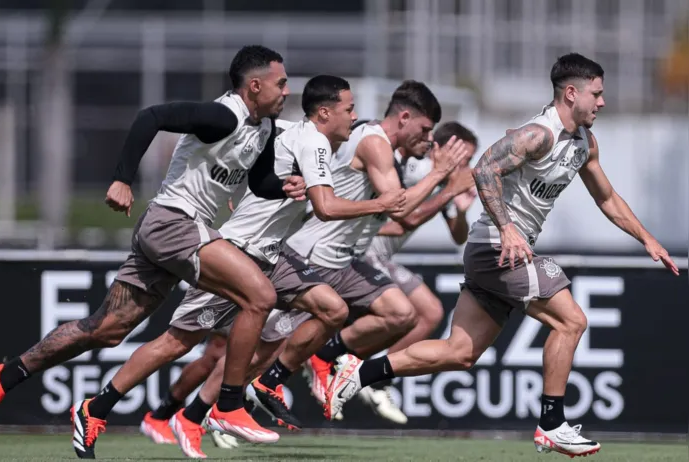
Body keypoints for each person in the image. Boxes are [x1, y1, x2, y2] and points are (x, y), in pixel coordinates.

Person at [324, 52, 680, 458]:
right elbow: (484, 169)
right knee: (572, 321)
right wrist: (508, 228)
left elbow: (607, 198)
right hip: (497, 247)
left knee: (460, 353)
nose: (601, 102)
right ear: (570, 93)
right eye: (595, 94)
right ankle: (551, 423)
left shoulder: (585, 142)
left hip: (493, 252)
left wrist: (647, 239)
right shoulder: (537, 134)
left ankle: (359, 371)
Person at [0, 45, 307, 457]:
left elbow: (257, 182)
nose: (287, 91)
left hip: (171, 231)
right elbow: (151, 116)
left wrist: (286, 186)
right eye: (281, 83)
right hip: (174, 223)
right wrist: (122, 179)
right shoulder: (224, 115)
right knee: (260, 296)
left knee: (106, 331)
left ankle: (6, 376)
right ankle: (229, 405)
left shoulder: (263, 128)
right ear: (255, 86)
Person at [72, 75, 407, 459]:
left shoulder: (297, 134)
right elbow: (326, 207)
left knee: (332, 309)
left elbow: (259, 156)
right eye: (349, 109)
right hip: (239, 253)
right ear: (326, 112)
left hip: (272, 256)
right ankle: (100, 408)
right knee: (177, 343)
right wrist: (383, 203)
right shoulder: (313, 140)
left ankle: (263, 385)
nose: (355, 116)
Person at [278, 80, 471, 426]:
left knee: (405, 313)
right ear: (406, 118)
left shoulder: (406, 156)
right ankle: (207, 407)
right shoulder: (395, 153)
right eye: (426, 131)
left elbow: (456, 234)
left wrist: (457, 200)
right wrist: (445, 182)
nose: (428, 140)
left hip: (343, 255)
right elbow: (401, 216)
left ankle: (360, 372)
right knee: (255, 344)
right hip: (322, 251)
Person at [347, 121, 479, 424]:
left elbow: (458, 237)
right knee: (406, 312)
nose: (467, 166)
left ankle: (375, 379)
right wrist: (449, 193)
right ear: (443, 149)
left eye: (470, 160)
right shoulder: (416, 168)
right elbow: (405, 216)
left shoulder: (443, 182)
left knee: (430, 313)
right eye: (464, 157)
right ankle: (343, 362)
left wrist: (459, 208)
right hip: (362, 250)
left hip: (381, 256)